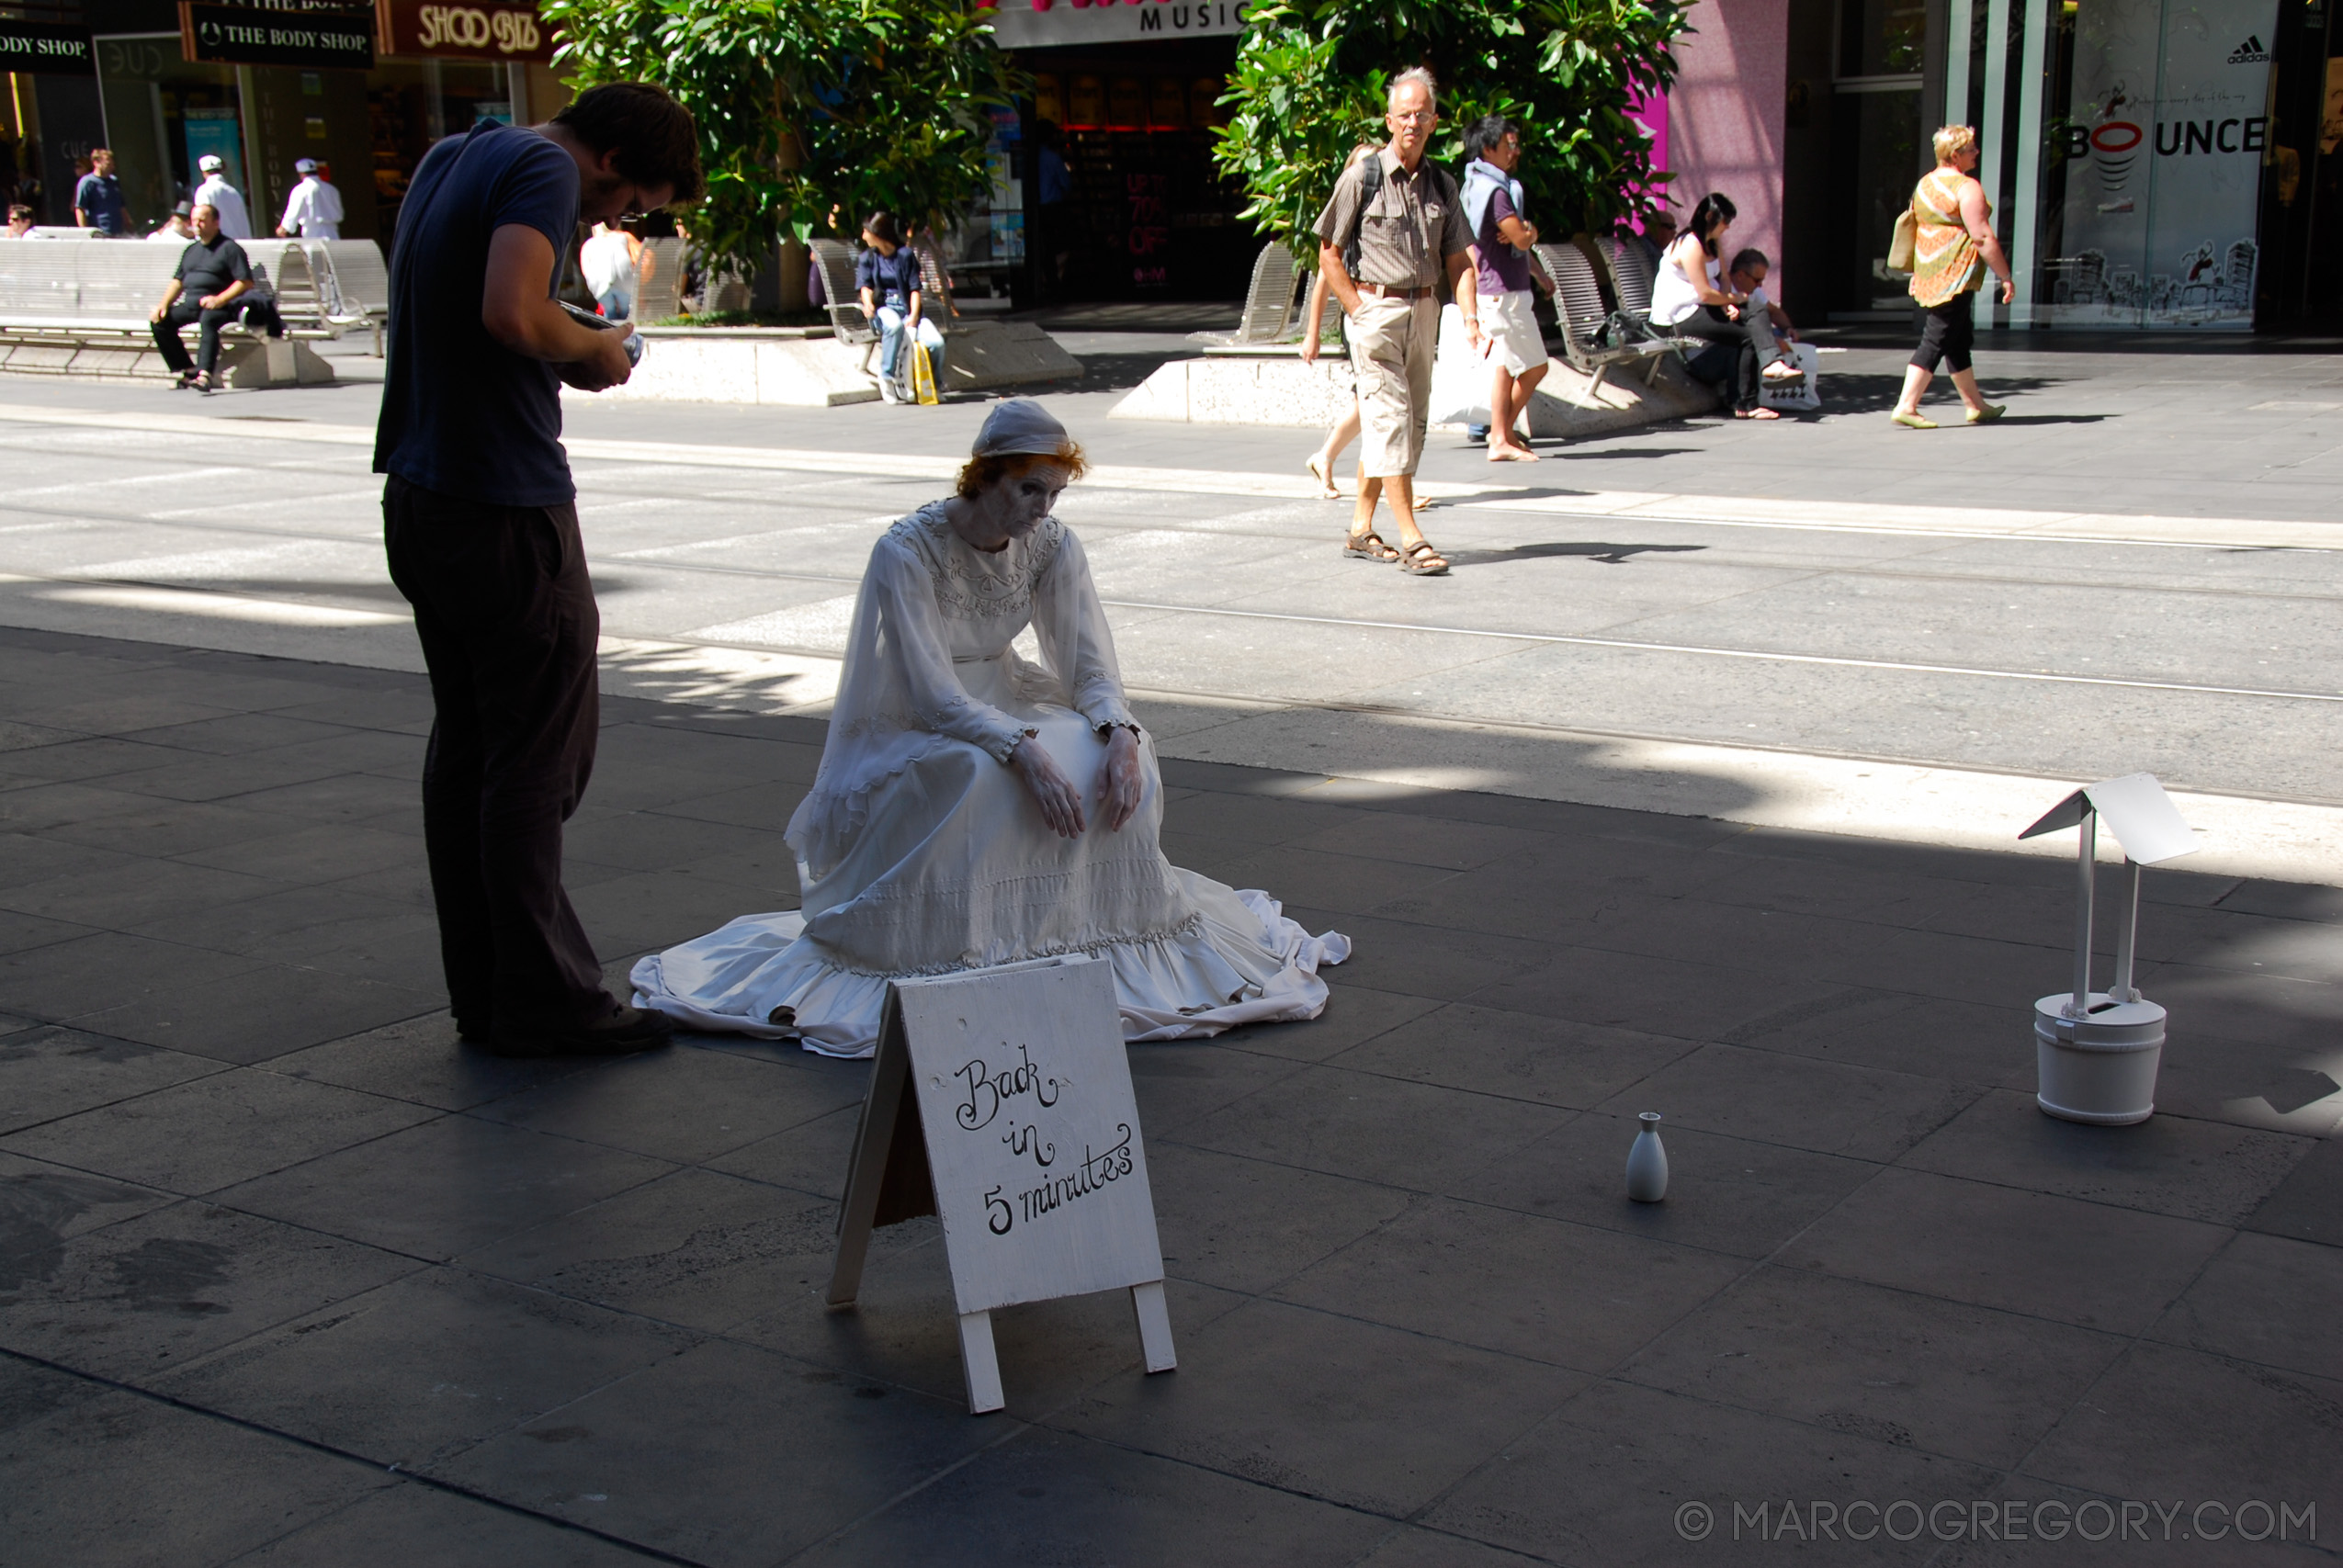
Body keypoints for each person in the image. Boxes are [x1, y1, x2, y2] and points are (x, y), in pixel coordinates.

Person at [633, 400, 1349, 1055]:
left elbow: (1090, 667)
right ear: (985, 476)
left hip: (1005, 692)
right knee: (978, 772)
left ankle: (1082, 932)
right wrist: (1020, 750)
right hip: (920, 715)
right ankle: (970, 942)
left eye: (1055, 493)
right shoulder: (906, 551)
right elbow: (931, 692)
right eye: (1029, 489)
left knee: (1107, 753)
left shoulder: (1052, 545)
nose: (1042, 509)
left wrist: (1121, 732)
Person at [375, 82, 703, 1059]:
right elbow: (512, 313)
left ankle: (486, 993)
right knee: (535, 759)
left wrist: (555, 331)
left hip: (422, 494)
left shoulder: (454, 153)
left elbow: (459, 301)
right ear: (613, 161)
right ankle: (546, 1001)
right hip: (503, 504)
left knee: (471, 752)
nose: (616, 220)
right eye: (632, 202)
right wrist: (593, 350)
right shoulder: (546, 168)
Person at [1313, 66, 1483, 577]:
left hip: (1425, 310)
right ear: (1389, 120)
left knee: (1410, 426)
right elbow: (1328, 254)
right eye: (1404, 114)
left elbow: (1460, 259)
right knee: (1388, 420)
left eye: (1422, 114)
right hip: (1376, 314)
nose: (1413, 122)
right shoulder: (1361, 178)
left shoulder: (1443, 185)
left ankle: (1361, 526)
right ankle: (1412, 536)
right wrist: (1358, 310)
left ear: (1434, 122)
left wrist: (1470, 316)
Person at [1892, 124, 2015, 429]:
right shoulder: (1966, 187)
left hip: (1930, 271)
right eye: (1971, 149)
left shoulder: (1924, 185)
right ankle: (1907, 405)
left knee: (1958, 338)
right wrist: (2005, 276)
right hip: (1956, 273)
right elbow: (1982, 236)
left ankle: (1975, 405)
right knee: (1938, 336)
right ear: (1956, 155)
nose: (1976, 153)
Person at [1649, 192, 1803, 421]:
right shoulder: (1690, 245)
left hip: (1702, 307)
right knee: (1748, 330)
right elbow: (1704, 292)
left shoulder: (1713, 243)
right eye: (1726, 221)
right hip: (1679, 318)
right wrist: (1731, 300)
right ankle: (1747, 400)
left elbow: (1723, 279)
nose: (1728, 227)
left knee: (1755, 310)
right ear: (1710, 216)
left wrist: (1727, 301)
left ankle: (1768, 369)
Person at [1458, 115, 1551, 462]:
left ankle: (1503, 435)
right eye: (1508, 145)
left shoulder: (1479, 184)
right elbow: (1521, 238)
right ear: (1488, 148)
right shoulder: (1496, 193)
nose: (1515, 151)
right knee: (1535, 366)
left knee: (1505, 366)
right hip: (1503, 293)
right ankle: (1500, 436)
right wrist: (1531, 230)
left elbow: (1515, 240)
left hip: (1500, 290)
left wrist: (1535, 266)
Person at [148, 203, 280, 392]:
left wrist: (219, 299)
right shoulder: (191, 250)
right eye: (194, 221)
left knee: (208, 318)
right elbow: (178, 281)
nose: (197, 225)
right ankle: (188, 369)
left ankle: (205, 375)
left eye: (202, 220)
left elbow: (245, 282)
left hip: (224, 306)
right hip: (193, 304)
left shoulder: (229, 248)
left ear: (216, 222)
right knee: (160, 322)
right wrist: (163, 305)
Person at [856, 210, 945, 403]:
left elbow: (914, 289)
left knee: (936, 343)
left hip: (906, 308)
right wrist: (869, 304)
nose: (863, 236)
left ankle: (935, 385)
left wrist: (913, 315)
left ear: (878, 233)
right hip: (883, 308)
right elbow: (865, 286)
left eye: (866, 232)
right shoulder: (868, 258)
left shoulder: (904, 256)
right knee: (894, 325)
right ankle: (886, 376)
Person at [579, 219, 651, 320]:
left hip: (598, 284)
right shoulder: (624, 237)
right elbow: (640, 255)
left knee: (609, 312)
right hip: (625, 279)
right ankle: (624, 328)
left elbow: (585, 268)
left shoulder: (589, 243)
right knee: (626, 311)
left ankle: (611, 326)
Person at [1726, 248, 1798, 343]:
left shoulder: (1753, 290)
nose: (1760, 285)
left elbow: (1773, 312)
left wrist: (1788, 328)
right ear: (1740, 275)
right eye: (1757, 280)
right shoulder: (1722, 289)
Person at [276, 157, 344, 239]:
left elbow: (293, 212)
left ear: (301, 173)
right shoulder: (332, 189)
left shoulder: (301, 189)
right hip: (332, 234)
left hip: (312, 233)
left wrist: (284, 227)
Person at [192, 154, 253, 240]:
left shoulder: (204, 190)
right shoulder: (234, 193)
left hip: (216, 245)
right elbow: (244, 224)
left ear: (204, 172)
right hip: (237, 244)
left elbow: (202, 220)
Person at [72, 148, 123, 235]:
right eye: (108, 164)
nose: (112, 167)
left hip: (118, 231)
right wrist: (85, 232)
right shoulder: (87, 182)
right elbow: (80, 208)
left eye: (112, 164)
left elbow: (121, 206)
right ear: (96, 163)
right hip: (100, 232)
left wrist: (128, 223)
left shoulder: (114, 181)